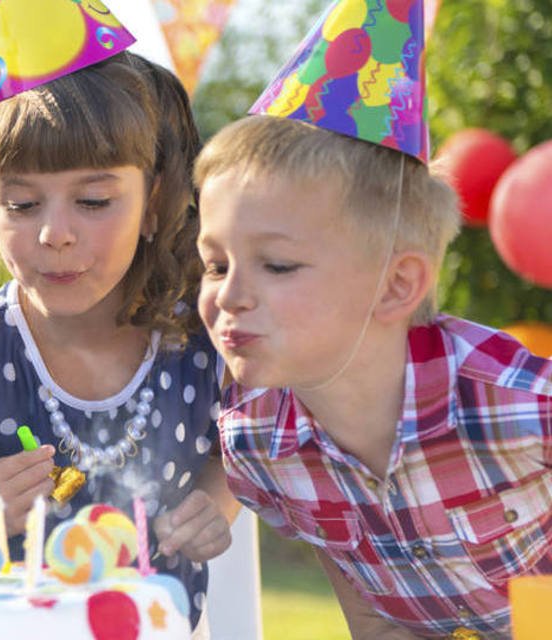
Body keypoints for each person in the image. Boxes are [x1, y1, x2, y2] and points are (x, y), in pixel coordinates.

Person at [194, 2, 552, 637]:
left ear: (397, 285)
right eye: (216, 264)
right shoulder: (258, 448)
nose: (231, 295)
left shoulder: (522, 406)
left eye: (276, 266)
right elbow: (377, 620)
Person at [0, 29, 242, 631]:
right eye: (22, 205)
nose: (56, 234)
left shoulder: (204, 344)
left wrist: (217, 501)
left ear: (153, 203)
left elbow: (244, 447)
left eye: (94, 201)